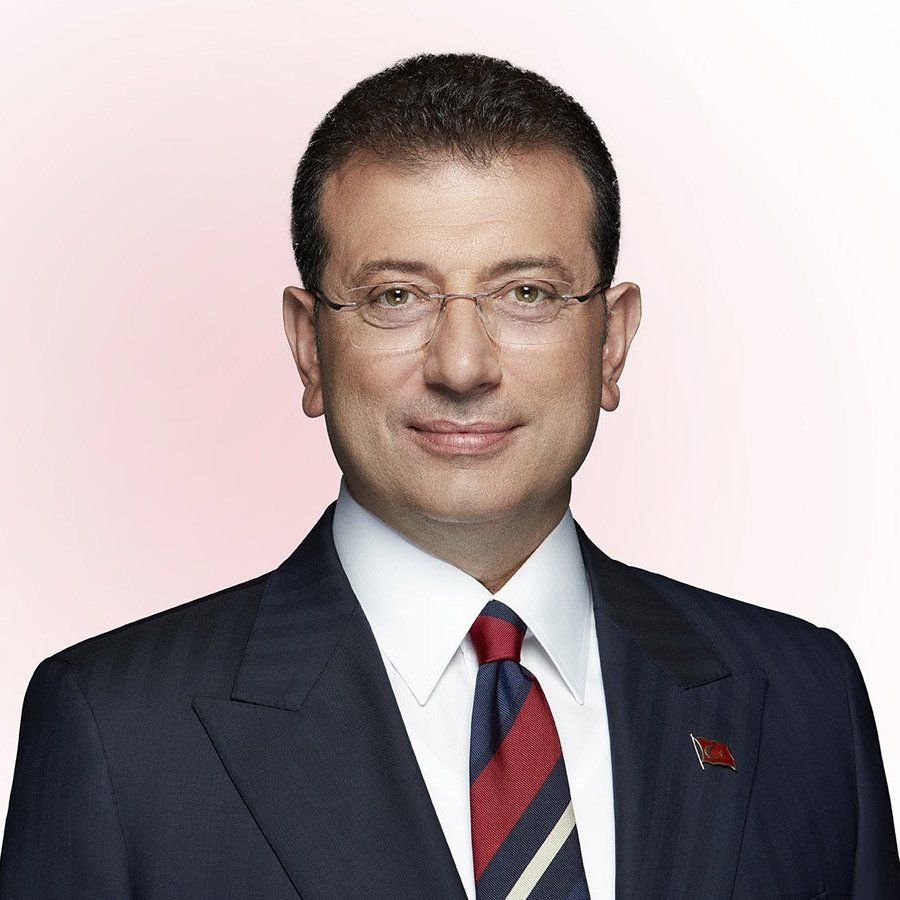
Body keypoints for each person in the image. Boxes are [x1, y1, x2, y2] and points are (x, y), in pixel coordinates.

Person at [1, 51, 898, 900]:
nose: (463, 366)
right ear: (309, 347)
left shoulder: (805, 698)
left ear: (612, 342)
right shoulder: (116, 730)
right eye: (396, 296)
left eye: (527, 293)